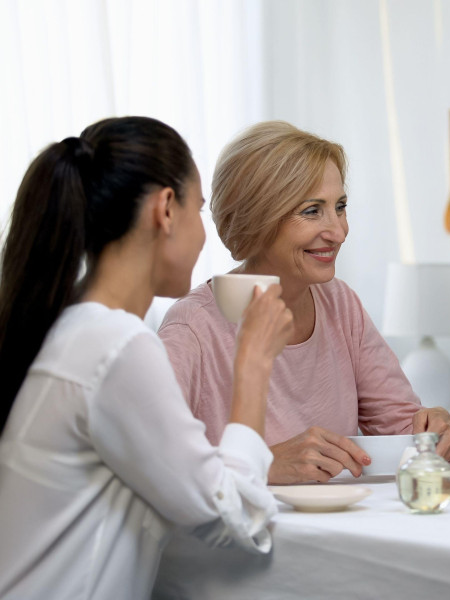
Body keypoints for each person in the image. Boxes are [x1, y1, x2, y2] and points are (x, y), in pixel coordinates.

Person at [0, 116, 294, 599]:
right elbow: (233, 517)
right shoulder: (116, 345)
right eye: (199, 210)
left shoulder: (75, 327)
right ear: (165, 210)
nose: (205, 236)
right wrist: (255, 363)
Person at [157, 121, 450, 487]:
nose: (338, 231)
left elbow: (406, 433)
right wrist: (265, 464)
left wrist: (439, 430)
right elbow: (155, 469)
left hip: (336, 531)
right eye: (311, 211)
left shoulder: (340, 304)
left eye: (340, 206)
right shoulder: (192, 329)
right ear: (257, 219)